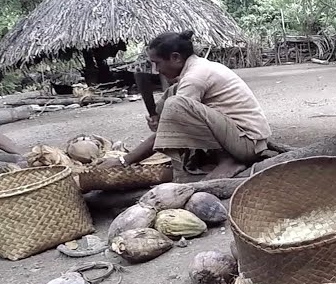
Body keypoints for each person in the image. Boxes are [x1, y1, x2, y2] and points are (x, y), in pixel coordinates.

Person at [99, 30, 271, 181]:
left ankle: (229, 160)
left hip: (247, 144)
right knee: (171, 94)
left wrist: (124, 161)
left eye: (157, 63)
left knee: (176, 104)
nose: (156, 70)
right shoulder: (197, 68)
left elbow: (175, 117)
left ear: (176, 58)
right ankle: (218, 157)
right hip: (241, 138)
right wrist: (158, 118)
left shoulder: (195, 77)